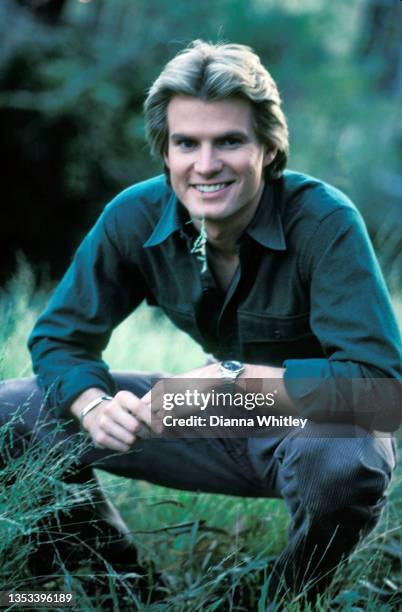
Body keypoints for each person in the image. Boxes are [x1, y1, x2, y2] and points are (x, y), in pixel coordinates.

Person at [1, 40, 401, 608]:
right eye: (187, 143)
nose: (206, 165)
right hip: (207, 409)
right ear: (165, 152)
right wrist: (92, 404)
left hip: (315, 422)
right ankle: (123, 595)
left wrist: (237, 378)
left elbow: (381, 392)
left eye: (230, 141)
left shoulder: (326, 221)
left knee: (338, 460)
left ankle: (271, 598)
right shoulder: (135, 215)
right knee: (8, 413)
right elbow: (58, 338)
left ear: (267, 147)